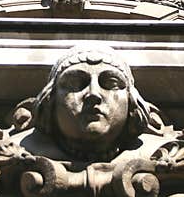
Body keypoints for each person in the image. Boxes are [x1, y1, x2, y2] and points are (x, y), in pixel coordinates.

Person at [11, 44, 163, 162]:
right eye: (75, 84)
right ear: (50, 101)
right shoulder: (15, 153)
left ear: (132, 103)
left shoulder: (163, 155)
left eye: (111, 83)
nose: (93, 94)